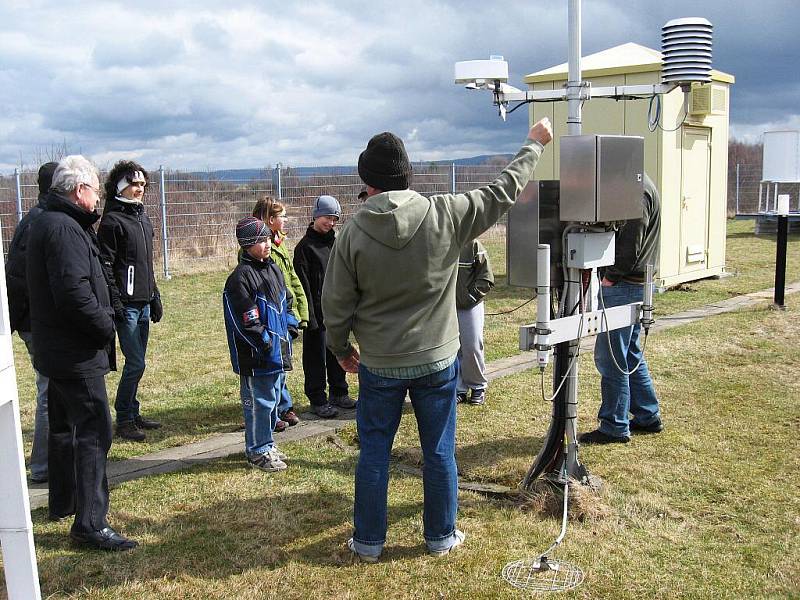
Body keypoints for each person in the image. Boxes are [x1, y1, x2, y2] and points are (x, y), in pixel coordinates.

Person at [323, 119, 553, 562]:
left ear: (367, 183)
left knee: (373, 453)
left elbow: (335, 302)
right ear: (408, 177)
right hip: (437, 361)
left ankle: (368, 542)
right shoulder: (445, 213)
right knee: (439, 451)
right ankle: (440, 536)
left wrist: (340, 349)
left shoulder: (351, 231)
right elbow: (501, 192)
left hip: (380, 363)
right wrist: (533, 145)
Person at [26, 155, 137, 551]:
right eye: (94, 191)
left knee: (63, 427)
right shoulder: (63, 229)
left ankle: (65, 501)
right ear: (79, 190)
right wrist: (107, 326)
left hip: (56, 349)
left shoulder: (49, 221)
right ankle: (89, 523)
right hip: (75, 353)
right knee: (94, 430)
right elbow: (74, 293)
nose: (97, 199)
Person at [579, 173, 662, 445]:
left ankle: (614, 425)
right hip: (636, 283)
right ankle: (648, 415)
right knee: (629, 354)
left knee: (611, 357)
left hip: (625, 284)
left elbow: (630, 246)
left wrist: (611, 276)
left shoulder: (636, 193)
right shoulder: (642, 185)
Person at [223, 218, 299, 472]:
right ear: (246, 245)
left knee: (274, 399)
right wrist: (265, 342)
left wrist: (290, 325)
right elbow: (245, 321)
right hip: (257, 357)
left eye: (268, 239)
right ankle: (257, 450)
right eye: (260, 241)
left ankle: (267, 443)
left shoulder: (274, 269)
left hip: (278, 352)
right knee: (259, 403)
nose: (267, 244)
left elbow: (286, 300)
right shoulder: (239, 279)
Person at [98, 161, 163, 442]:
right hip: (127, 305)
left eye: (142, 185)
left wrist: (155, 294)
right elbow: (106, 267)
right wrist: (117, 304)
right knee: (136, 363)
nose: (140, 189)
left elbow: (145, 263)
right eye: (134, 184)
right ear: (120, 186)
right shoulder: (112, 221)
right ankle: (123, 417)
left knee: (139, 362)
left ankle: (133, 412)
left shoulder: (142, 217)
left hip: (144, 301)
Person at [6, 161, 57, 483]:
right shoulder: (38, 224)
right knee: (49, 392)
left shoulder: (41, 220)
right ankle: (43, 467)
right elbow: (22, 281)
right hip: (36, 323)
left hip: (38, 321)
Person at [294, 195, 355, 418]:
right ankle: (317, 398)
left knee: (337, 351)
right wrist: (309, 316)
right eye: (327, 218)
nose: (330, 223)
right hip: (316, 315)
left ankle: (339, 392)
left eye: (334, 219)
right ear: (315, 216)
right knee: (315, 357)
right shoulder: (304, 248)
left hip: (336, 311)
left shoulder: (337, 243)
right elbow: (303, 285)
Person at [252, 197, 308, 428]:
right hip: (270, 315)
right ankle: (274, 411)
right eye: (282, 216)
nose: (286, 220)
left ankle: (283, 407)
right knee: (273, 364)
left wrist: (301, 309)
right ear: (270, 219)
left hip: (285, 311)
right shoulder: (257, 249)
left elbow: (291, 278)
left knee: (283, 363)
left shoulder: (279, 243)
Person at [455, 239, 494, 405]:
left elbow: (486, 277)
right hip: (445, 306)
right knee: (452, 349)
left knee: (472, 345)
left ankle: (478, 386)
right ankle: (459, 389)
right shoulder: (439, 240)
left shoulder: (473, 245)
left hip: (470, 306)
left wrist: (470, 297)